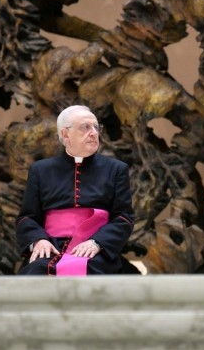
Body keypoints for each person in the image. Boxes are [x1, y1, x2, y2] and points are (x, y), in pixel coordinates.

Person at [16, 105, 135, 275]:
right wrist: (39, 240)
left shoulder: (116, 169)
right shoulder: (40, 170)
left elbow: (124, 217)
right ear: (65, 134)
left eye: (96, 127)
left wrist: (97, 242)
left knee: (94, 270)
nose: (94, 133)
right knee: (37, 270)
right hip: (51, 246)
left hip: (94, 248)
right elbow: (27, 217)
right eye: (85, 127)